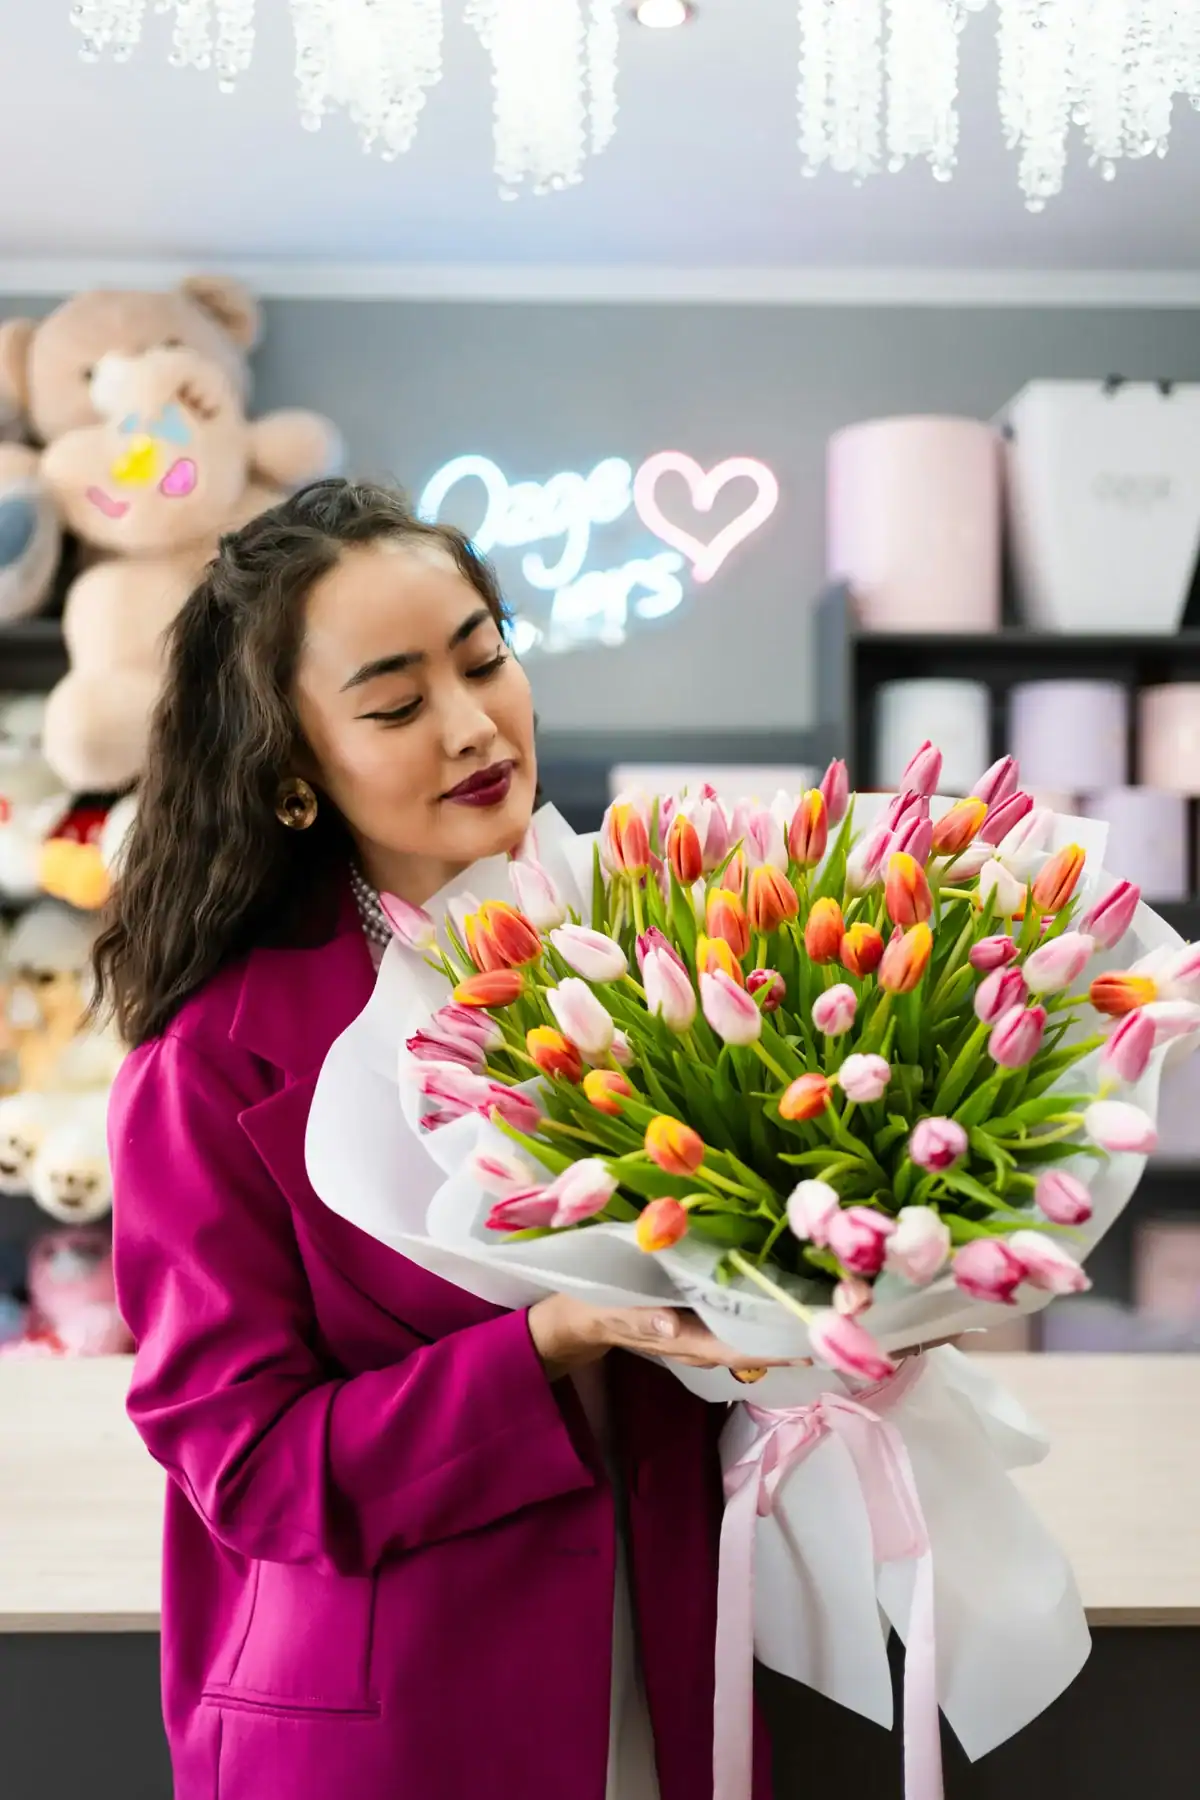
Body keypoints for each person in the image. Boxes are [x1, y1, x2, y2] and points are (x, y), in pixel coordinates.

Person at [95, 478, 776, 1800]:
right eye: (397, 705)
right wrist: (552, 1339)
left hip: (662, 1671)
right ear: (292, 773)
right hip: (393, 1727)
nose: (473, 725)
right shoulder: (209, 1070)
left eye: (484, 656)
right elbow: (253, 1472)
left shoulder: (664, 950)